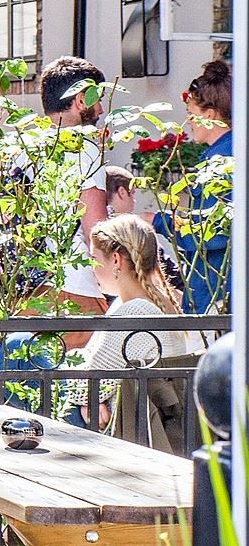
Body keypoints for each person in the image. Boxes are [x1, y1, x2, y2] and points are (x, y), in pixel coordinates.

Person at [63, 214, 193, 438]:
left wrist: (87, 400)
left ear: (116, 260)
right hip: (143, 421)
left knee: (21, 353)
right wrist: (89, 398)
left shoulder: (134, 313)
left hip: (127, 428)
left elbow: (88, 385)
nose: (91, 268)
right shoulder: (162, 303)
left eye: (94, 259)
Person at [157, 59, 232, 314]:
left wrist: (161, 222)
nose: (187, 122)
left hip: (217, 289)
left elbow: (213, 235)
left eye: (192, 114)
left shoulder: (221, 160)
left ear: (209, 115)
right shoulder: (227, 151)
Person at [41, 55, 112, 313]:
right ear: (81, 100)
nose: (102, 110)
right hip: (74, 288)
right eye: (98, 99)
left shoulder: (26, 147)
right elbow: (96, 230)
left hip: (27, 286)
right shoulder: (82, 148)